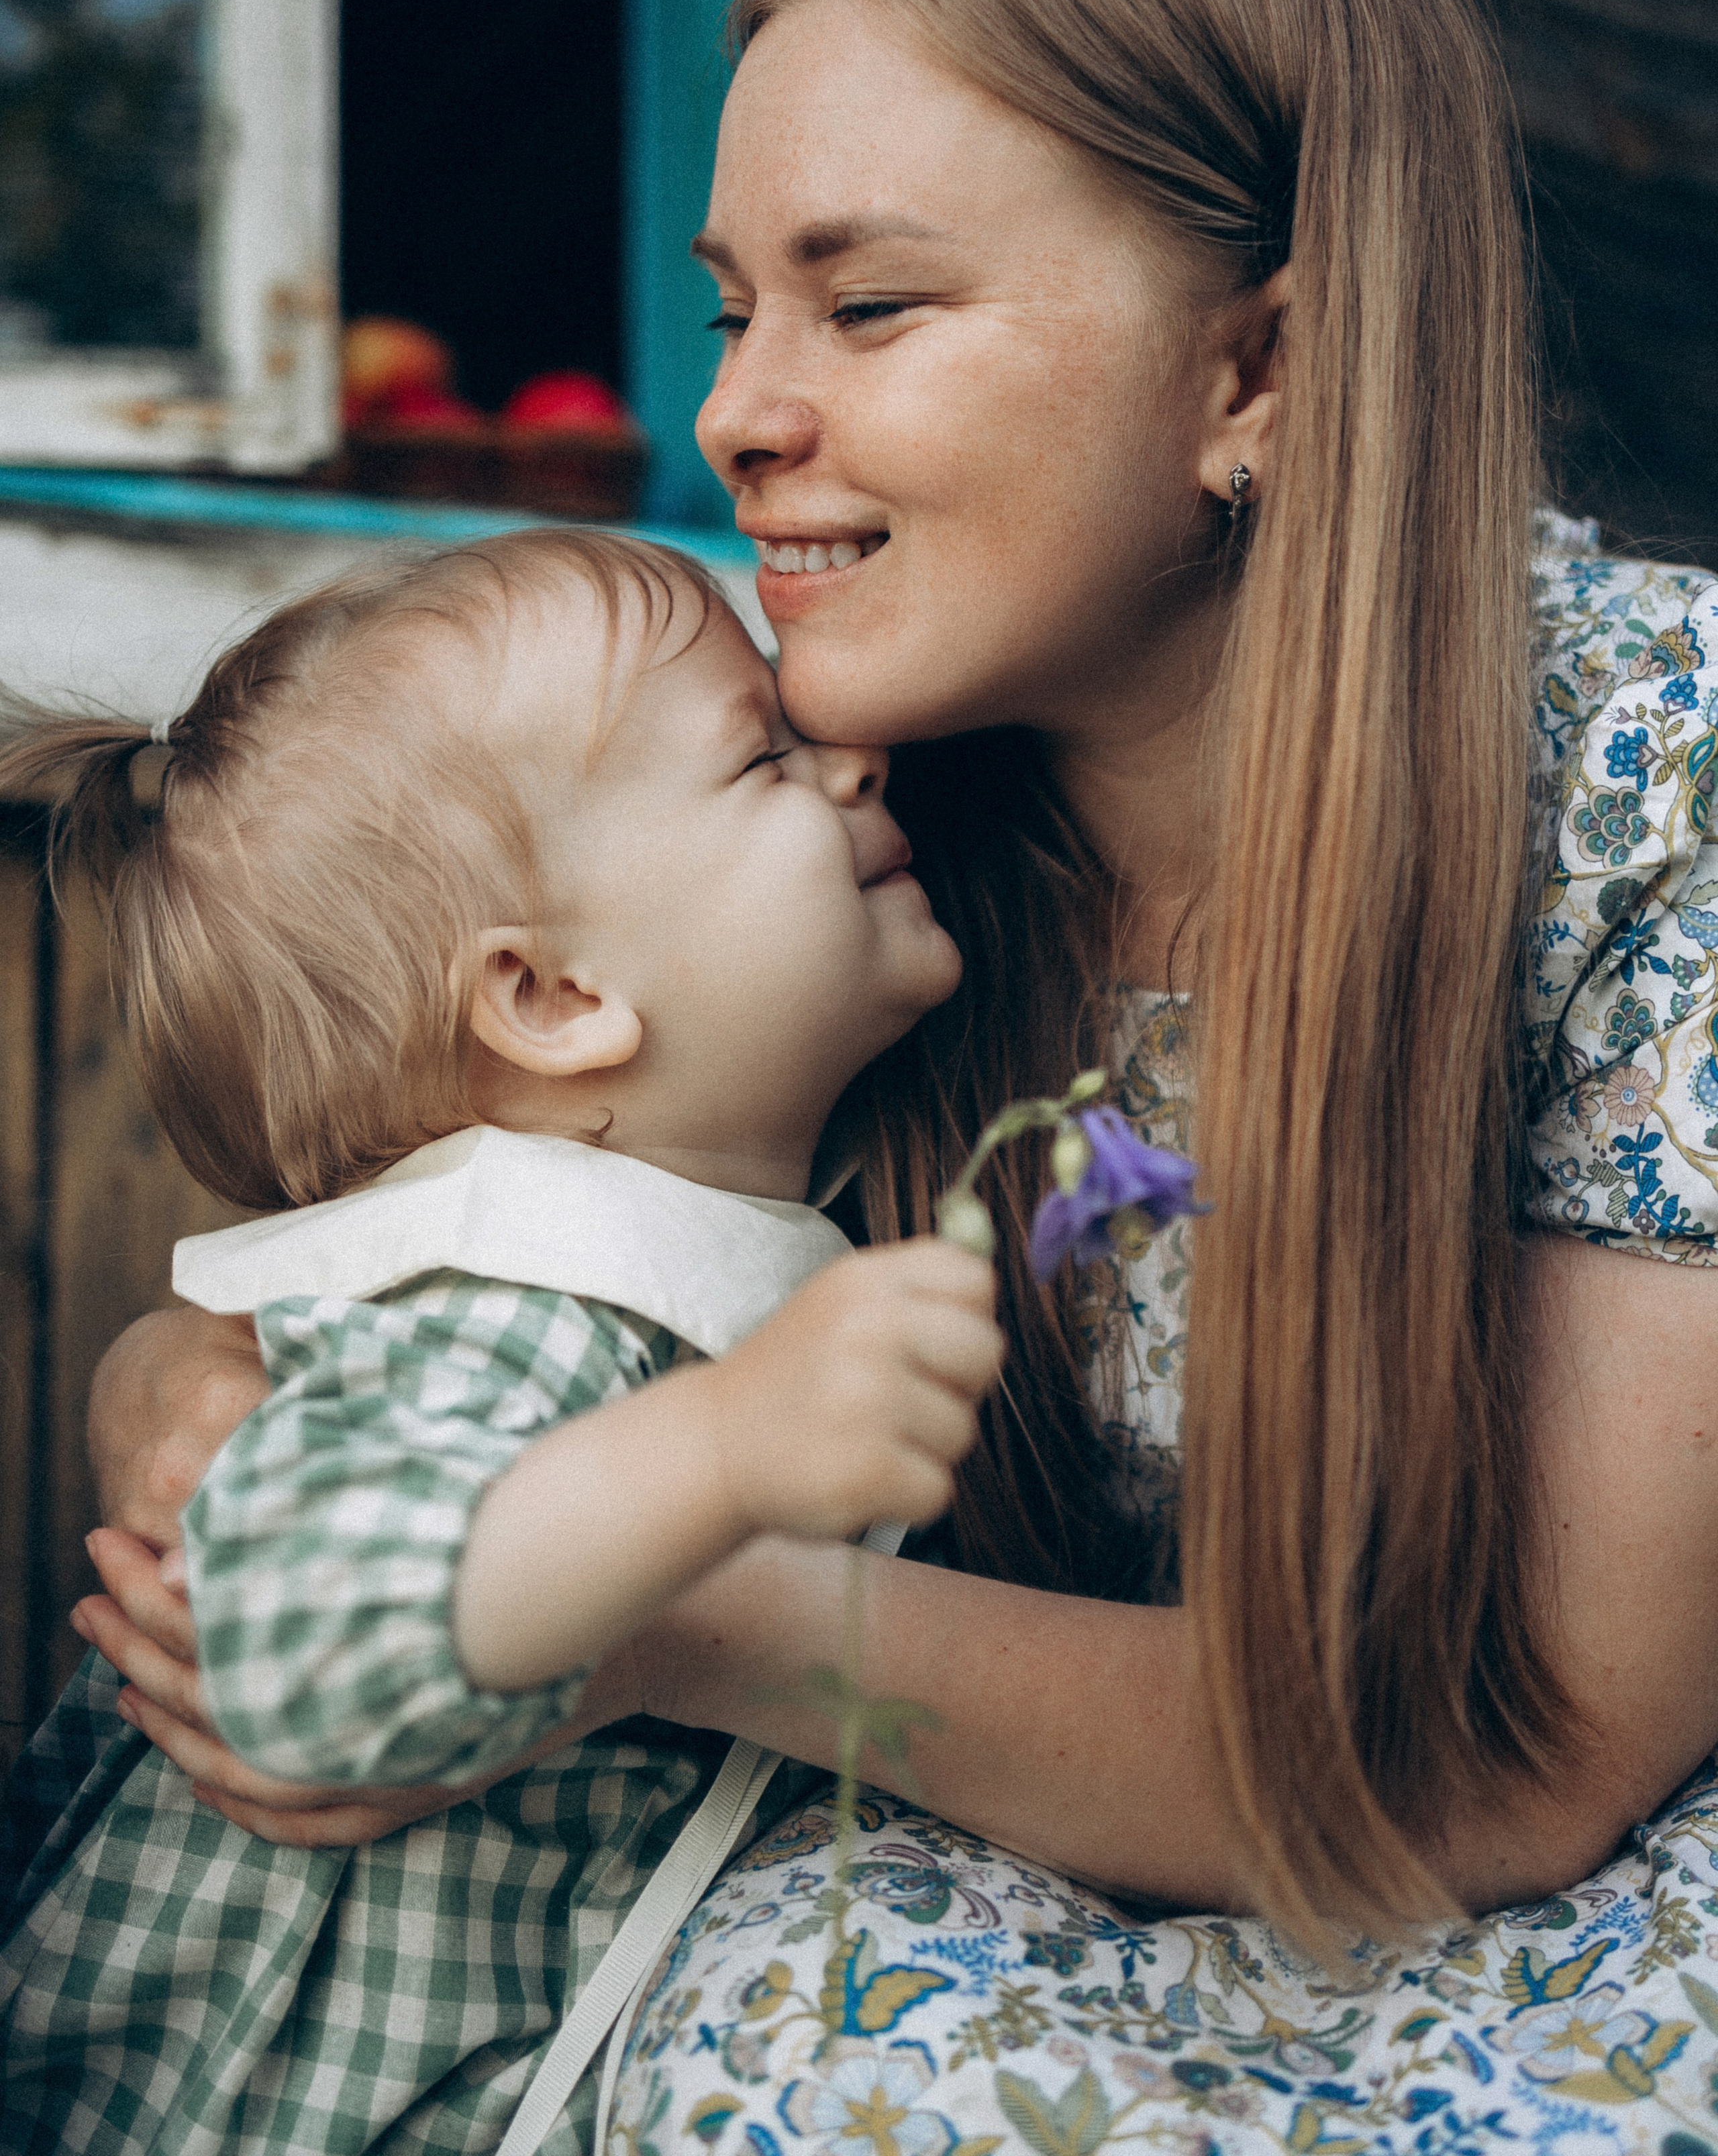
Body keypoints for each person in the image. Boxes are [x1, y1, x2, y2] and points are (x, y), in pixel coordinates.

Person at [53, 0, 1718, 2147]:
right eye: (736, 306)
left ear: (1259, 366)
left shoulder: (1655, 783)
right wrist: (191, 1395)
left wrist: (621, 1607)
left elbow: (1515, 1764)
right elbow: (463, 1221)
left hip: (1529, 1890)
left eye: (873, 302)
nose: (736, 408)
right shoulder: (834, 808)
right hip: (966, 1837)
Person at [0, 529, 1004, 2151]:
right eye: (762, 755)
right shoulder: (534, 1299)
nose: (850, 756)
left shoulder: (640, 1246)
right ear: (547, 998)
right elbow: (307, 1657)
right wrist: (721, 1445)